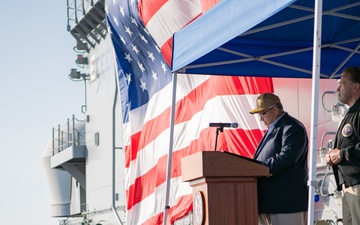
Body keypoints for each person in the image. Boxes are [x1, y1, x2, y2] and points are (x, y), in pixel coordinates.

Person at [250, 93, 308, 225]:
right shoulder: (274, 128)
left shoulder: (292, 127)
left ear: (274, 110)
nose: (260, 119)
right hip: (269, 203)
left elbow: (288, 156)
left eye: (262, 114)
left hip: (286, 203)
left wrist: (259, 168)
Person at [325, 67, 360, 225]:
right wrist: (332, 155)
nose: (338, 88)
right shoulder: (351, 113)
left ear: (356, 86)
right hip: (348, 187)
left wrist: (342, 154)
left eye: (343, 83)